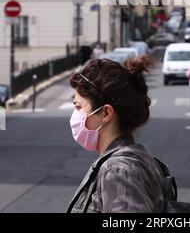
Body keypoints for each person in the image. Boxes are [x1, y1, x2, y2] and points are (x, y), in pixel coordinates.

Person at [67, 57, 165, 213]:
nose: (74, 115)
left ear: (106, 113)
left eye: (78, 107)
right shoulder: (137, 157)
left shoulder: (118, 172)